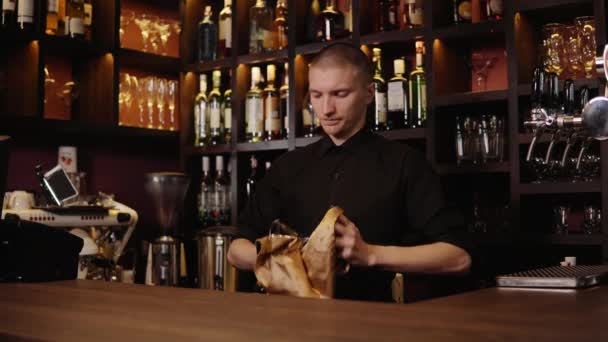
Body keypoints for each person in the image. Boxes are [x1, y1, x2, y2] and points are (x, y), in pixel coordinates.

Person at [228, 43, 472, 302]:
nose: (326, 109)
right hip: (295, 322)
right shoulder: (287, 167)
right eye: (317, 95)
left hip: (377, 321)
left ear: (369, 93)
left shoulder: (405, 163)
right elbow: (236, 250)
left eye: (340, 94)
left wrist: (370, 254)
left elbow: (458, 258)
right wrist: (288, 263)